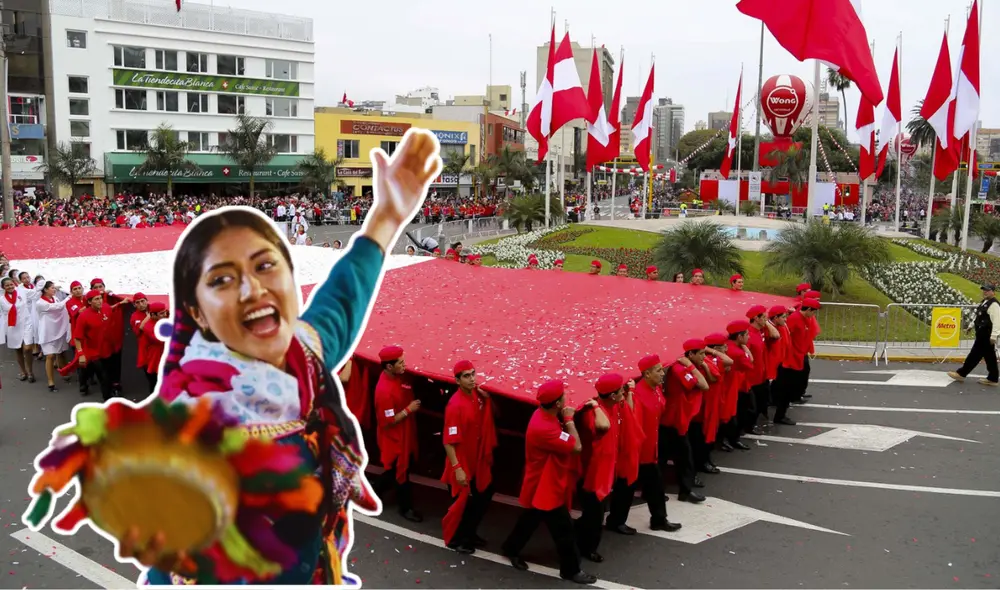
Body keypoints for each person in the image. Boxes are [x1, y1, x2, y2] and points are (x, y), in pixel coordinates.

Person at [132, 128, 443, 585]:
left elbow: (336, 308)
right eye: (222, 278)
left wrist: (386, 219)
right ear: (196, 314)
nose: (252, 288)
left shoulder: (296, 356)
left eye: (264, 265)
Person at [501, 380, 597, 585]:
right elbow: (576, 447)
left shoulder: (542, 415)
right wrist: (570, 420)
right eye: (563, 396)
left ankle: (510, 548)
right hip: (546, 485)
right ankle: (571, 570)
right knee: (564, 529)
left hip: (543, 479)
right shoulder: (544, 428)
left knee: (530, 519)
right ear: (557, 404)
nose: (566, 398)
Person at [605, 354, 679, 533]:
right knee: (627, 487)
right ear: (647, 374)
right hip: (636, 450)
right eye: (658, 370)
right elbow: (631, 424)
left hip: (649, 449)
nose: (662, 373)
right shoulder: (637, 395)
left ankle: (658, 519)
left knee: (653, 485)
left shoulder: (656, 390)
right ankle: (616, 521)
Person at [442, 360, 497, 555]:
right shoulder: (454, 405)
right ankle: (458, 540)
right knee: (463, 504)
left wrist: (487, 399)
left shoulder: (477, 396)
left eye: (473, 374)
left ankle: (469, 533)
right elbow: (448, 441)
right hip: (462, 462)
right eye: (466, 376)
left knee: (483, 496)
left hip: (476, 461)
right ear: (457, 380)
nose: (472, 378)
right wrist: (457, 468)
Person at [574, 373, 628, 563]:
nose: (624, 392)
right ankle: (586, 548)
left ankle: (582, 542)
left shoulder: (612, 405)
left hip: (605, 470)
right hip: (593, 473)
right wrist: (596, 406)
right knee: (594, 515)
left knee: (594, 513)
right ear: (612, 395)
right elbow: (603, 427)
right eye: (621, 390)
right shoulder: (593, 413)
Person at [373, 345, 422, 523]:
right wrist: (409, 410)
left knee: (396, 471)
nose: (404, 365)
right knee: (399, 470)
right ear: (389, 366)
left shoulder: (400, 376)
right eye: (400, 363)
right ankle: (405, 507)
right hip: (394, 439)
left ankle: (373, 492)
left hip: (405, 433)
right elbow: (388, 421)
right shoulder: (384, 391)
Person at [661, 339, 710, 503]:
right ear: (690, 354)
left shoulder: (684, 367)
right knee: (683, 457)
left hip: (678, 419)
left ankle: (670, 490)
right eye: (701, 353)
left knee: (666, 456)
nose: (704, 356)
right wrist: (691, 367)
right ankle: (684, 491)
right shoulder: (680, 369)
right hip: (675, 420)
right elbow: (704, 385)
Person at [773, 299, 821, 425]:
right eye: (813, 312)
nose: (814, 315)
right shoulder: (795, 319)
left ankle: (781, 411)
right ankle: (779, 415)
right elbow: (785, 336)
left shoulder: (806, 319)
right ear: (809, 309)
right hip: (790, 359)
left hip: (798, 357)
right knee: (786, 388)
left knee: (789, 387)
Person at [691, 332, 732, 474]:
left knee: (710, 432)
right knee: (703, 435)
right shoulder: (708, 360)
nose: (726, 349)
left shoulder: (710, 359)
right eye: (723, 347)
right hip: (705, 405)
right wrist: (710, 351)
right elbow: (727, 362)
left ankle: (706, 459)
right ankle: (702, 462)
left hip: (715, 402)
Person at [949, 284, 1000, 386]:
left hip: (986, 335)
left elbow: (997, 321)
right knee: (990, 357)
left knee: (974, 355)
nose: (984, 292)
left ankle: (961, 373)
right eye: (984, 290)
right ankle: (993, 378)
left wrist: (994, 335)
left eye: (987, 290)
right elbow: (978, 317)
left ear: (993, 292)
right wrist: (971, 326)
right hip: (982, 333)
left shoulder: (994, 305)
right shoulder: (984, 303)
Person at [72, 289, 113, 401]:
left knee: (106, 373)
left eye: (100, 298)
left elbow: (111, 309)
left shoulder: (106, 308)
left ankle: (108, 395)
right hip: (92, 351)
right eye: (96, 299)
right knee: (100, 374)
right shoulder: (84, 316)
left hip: (105, 349)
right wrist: (80, 353)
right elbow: (77, 337)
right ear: (89, 302)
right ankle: (106, 398)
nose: (100, 301)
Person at [746, 304, 779, 432]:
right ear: (756, 318)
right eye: (764, 317)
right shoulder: (748, 334)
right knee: (752, 406)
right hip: (752, 377)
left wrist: (765, 323)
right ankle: (748, 427)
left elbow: (776, 335)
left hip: (762, 374)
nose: (766, 320)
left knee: (762, 401)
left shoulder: (760, 331)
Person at [721, 320, 754, 451]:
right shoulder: (737, 353)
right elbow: (750, 362)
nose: (749, 337)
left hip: (732, 385)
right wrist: (745, 348)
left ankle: (728, 439)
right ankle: (731, 439)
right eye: (746, 334)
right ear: (739, 337)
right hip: (733, 386)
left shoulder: (728, 346)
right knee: (735, 414)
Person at [35, 281, 70, 392]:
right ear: (45, 290)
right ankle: (51, 381)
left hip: (57, 330)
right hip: (47, 332)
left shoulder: (55, 298)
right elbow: (57, 307)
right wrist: (69, 298)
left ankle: (64, 372)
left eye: (54, 288)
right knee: (50, 356)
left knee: (60, 352)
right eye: (52, 288)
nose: (54, 290)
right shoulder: (40, 303)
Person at [2, 276, 36, 382]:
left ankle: (30, 371)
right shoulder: (1, 299)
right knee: (18, 349)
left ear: (14, 284)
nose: (10, 286)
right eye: (7, 285)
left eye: (11, 284)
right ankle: (23, 371)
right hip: (13, 326)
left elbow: (36, 293)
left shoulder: (22, 292)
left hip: (26, 323)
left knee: (28, 348)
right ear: (3, 287)